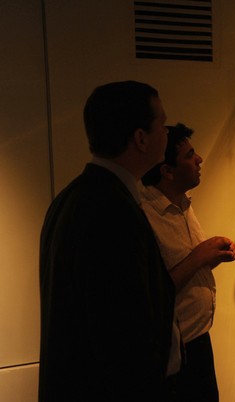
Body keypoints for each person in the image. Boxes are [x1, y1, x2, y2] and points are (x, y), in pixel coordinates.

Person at [39, 81, 175, 401]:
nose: (167, 133)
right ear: (140, 138)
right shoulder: (112, 211)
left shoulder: (71, 197)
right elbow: (123, 338)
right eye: (162, 124)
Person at [140, 123, 235, 401]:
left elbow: (181, 269)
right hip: (172, 351)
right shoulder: (145, 215)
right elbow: (154, 290)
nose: (199, 159)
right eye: (189, 155)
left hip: (197, 340)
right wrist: (201, 255)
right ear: (167, 171)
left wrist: (212, 257)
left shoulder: (183, 203)